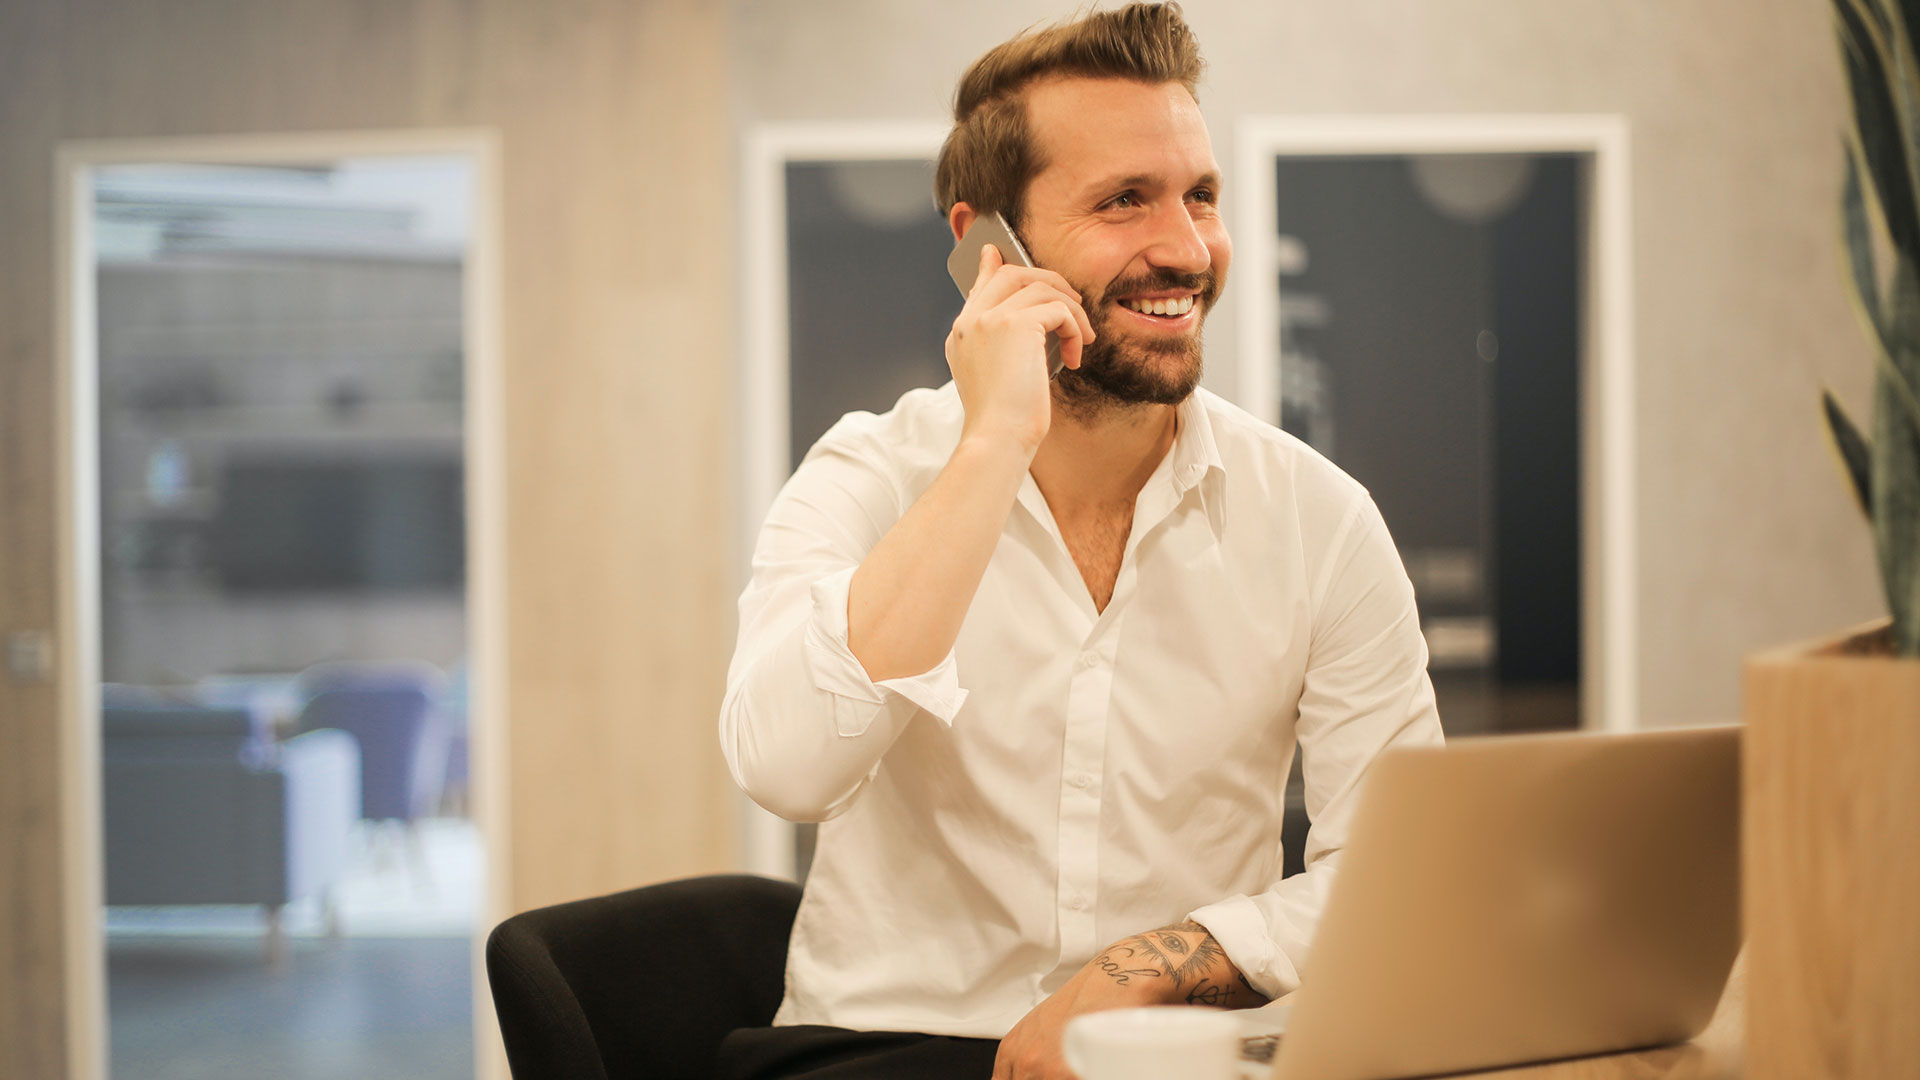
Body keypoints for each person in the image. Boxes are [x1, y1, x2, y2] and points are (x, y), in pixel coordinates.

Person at [718, 5, 1443, 1079]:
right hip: (885, 1048)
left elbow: (1398, 876)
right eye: (1124, 202)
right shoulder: (870, 476)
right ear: (984, 244)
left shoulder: (1319, 521)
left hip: (1175, 1051)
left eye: (1200, 195)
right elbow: (784, 767)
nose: (1187, 250)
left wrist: (1152, 966)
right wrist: (995, 443)